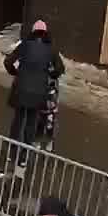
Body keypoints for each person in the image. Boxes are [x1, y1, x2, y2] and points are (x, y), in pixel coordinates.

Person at [4, 20, 65, 162]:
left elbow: (8, 62)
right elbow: (60, 69)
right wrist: (49, 76)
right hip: (38, 92)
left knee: (18, 121)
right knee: (31, 123)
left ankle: (12, 154)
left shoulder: (24, 45)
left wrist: (16, 73)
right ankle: (24, 155)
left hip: (21, 89)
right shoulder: (51, 49)